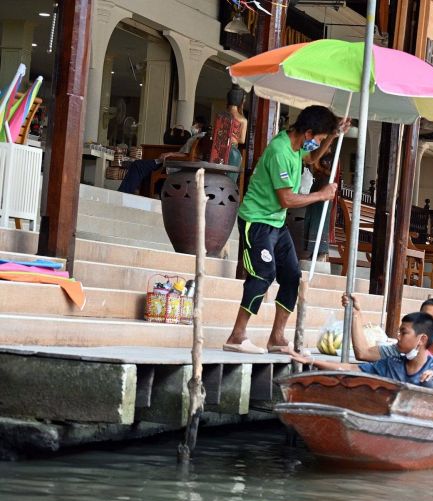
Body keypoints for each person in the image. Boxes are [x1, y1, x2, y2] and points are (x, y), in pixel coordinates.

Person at [223, 105, 348, 354]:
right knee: (263, 274)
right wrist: (321, 195)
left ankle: (277, 338)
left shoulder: (296, 146)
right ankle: (237, 336)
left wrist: (333, 135)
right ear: (308, 133)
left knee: (292, 277)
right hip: (256, 222)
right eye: (319, 139)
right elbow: (287, 199)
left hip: (277, 224)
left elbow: (311, 159)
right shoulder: (280, 151)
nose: (318, 144)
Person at [289, 311, 433, 392]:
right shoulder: (390, 364)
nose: (398, 336)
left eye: (404, 333)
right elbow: (350, 368)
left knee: (431, 383)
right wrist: (311, 361)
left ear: (422, 339)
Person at [118, 116, 207, 195]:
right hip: (174, 163)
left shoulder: (196, 138)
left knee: (137, 165)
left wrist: (170, 154)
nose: (192, 125)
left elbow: (187, 155)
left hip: (172, 164)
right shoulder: (201, 137)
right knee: (142, 167)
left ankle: (123, 193)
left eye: (194, 123)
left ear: (199, 125)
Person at [225, 84, 248, 181]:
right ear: (241, 101)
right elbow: (242, 140)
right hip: (233, 151)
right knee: (230, 181)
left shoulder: (221, 116)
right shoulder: (242, 120)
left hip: (219, 149)